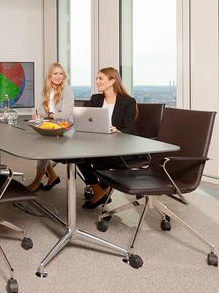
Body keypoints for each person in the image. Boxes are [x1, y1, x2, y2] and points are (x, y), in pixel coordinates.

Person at [77, 67, 138, 209]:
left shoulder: (128, 102)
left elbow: (130, 129)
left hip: (120, 146)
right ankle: (99, 191)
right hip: (98, 143)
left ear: (112, 81)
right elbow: (87, 120)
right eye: (96, 78)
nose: (97, 81)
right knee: (76, 156)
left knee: (100, 158)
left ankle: (101, 192)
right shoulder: (96, 99)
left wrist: (118, 130)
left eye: (101, 78)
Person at [26, 63, 73, 191]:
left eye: (61, 73)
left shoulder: (67, 90)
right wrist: (37, 115)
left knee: (43, 146)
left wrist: (51, 115)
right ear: (49, 75)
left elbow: (65, 113)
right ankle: (52, 176)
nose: (58, 76)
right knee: (38, 142)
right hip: (50, 126)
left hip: (64, 127)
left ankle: (37, 181)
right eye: (55, 73)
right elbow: (41, 111)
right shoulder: (46, 90)